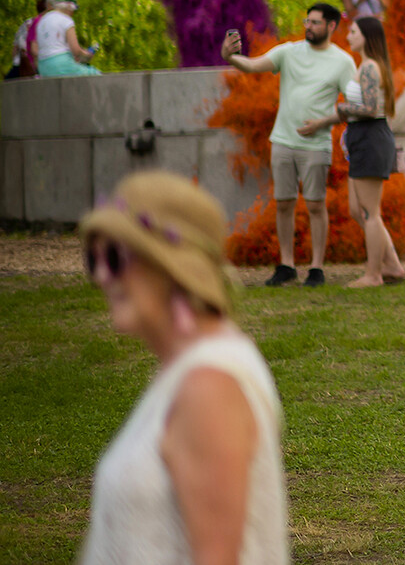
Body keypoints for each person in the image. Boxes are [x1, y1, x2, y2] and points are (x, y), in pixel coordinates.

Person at [77, 171, 288, 564]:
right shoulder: (190, 367)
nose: (102, 276)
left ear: (173, 266)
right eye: (93, 258)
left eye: (116, 258)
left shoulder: (208, 387)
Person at [222, 5, 355, 287]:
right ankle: (286, 265)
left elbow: (353, 106)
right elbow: (253, 65)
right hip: (282, 141)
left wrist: (322, 122)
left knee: (316, 205)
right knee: (284, 204)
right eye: (307, 20)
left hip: (316, 145)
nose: (308, 26)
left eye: (316, 23)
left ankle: (316, 268)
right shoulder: (288, 52)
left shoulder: (343, 62)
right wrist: (231, 56)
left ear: (332, 26)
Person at [302, 16, 405, 289]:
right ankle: (392, 264)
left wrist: (343, 108)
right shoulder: (365, 66)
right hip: (362, 139)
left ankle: (373, 275)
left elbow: (370, 108)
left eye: (354, 31)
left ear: (367, 36)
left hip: (371, 138)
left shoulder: (371, 67)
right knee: (356, 210)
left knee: (371, 211)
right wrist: (321, 123)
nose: (348, 34)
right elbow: (357, 108)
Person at [32, 0, 101, 77]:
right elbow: (76, 51)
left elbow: (36, 48)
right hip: (61, 64)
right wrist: (87, 55)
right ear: (68, 6)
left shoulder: (41, 22)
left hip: (43, 67)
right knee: (94, 73)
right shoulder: (66, 20)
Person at [8, 0, 48, 79]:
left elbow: (15, 49)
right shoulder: (48, 24)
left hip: (20, 65)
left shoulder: (27, 23)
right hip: (39, 66)